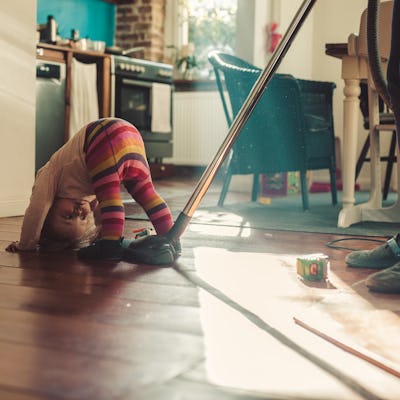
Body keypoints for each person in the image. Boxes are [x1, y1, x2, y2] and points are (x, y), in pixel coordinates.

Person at [6, 117, 180, 261]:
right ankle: (172, 238)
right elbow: (101, 215)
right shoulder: (87, 185)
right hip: (131, 136)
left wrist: (26, 245)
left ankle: (111, 247)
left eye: (67, 216)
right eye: (82, 216)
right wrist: (100, 234)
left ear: (50, 207)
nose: (79, 210)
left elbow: (37, 208)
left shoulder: (50, 173)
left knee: (110, 198)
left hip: (104, 136)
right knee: (148, 195)